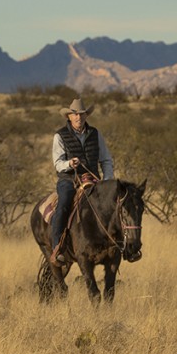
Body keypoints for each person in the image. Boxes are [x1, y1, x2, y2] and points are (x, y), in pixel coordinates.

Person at [49, 97, 114, 265]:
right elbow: (58, 164)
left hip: (93, 179)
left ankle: (120, 246)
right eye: (75, 114)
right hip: (69, 179)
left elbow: (106, 160)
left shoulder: (95, 134)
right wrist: (70, 163)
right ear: (69, 117)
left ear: (86, 116)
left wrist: (107, 180)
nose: (79, 118)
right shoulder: (60, 136)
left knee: (114, 205)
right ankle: (57, 246)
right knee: (63, 204)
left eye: (82, 114)